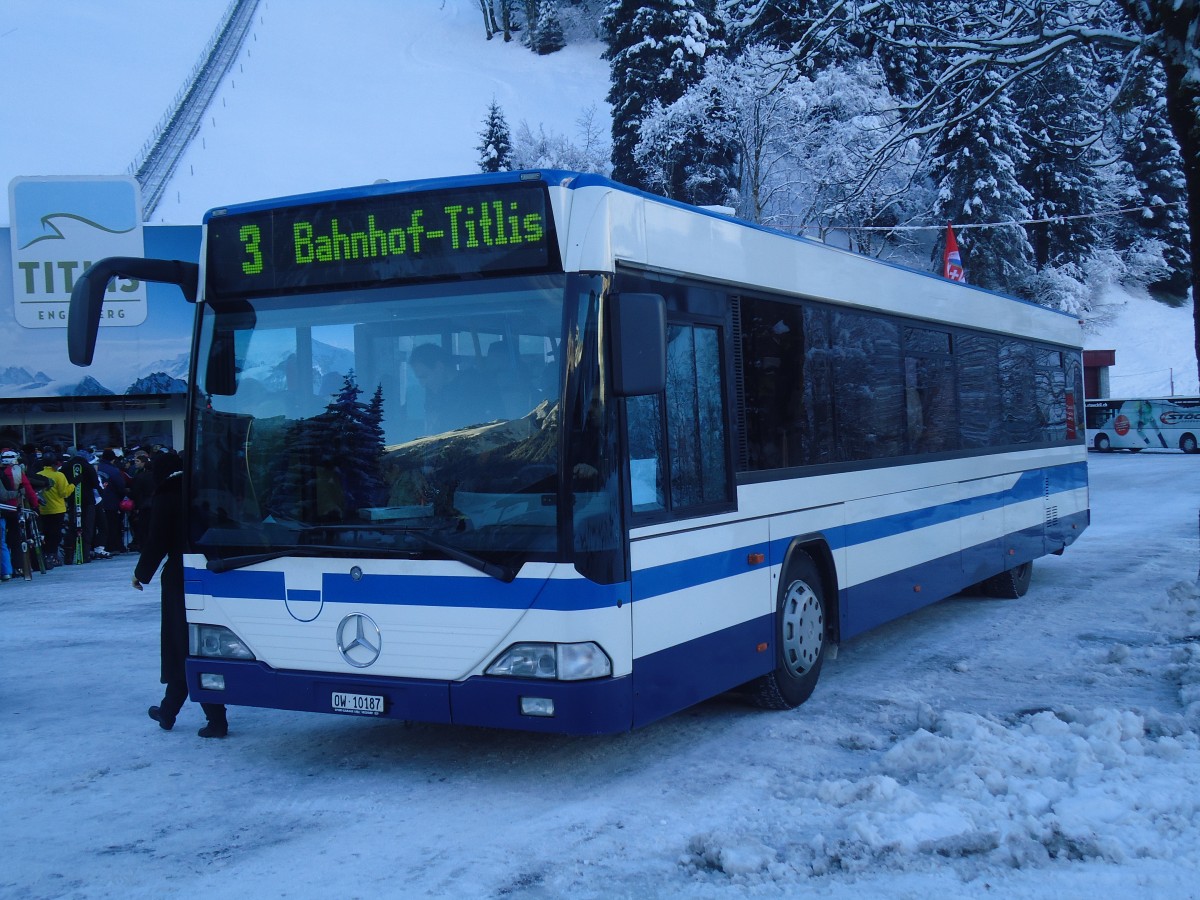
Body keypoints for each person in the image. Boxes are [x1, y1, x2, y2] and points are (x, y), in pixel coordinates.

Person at [133, 451, 229, 738]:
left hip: (180, 577)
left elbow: (157, 540)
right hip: (213, 572)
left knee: (182, 645)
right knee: (200, 644)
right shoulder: (203, 490)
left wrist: (141, 573)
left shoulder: (167, 495)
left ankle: (208, 718)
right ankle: (172, 711)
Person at [37, 450, 74, 568]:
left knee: (46, 533)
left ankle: (46, 555)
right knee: (56, 534)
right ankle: (52, 556)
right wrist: (72, 485)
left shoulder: (38, 474)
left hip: (43, 509)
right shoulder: (59, 475)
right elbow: (64, 493)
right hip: (57, 509)